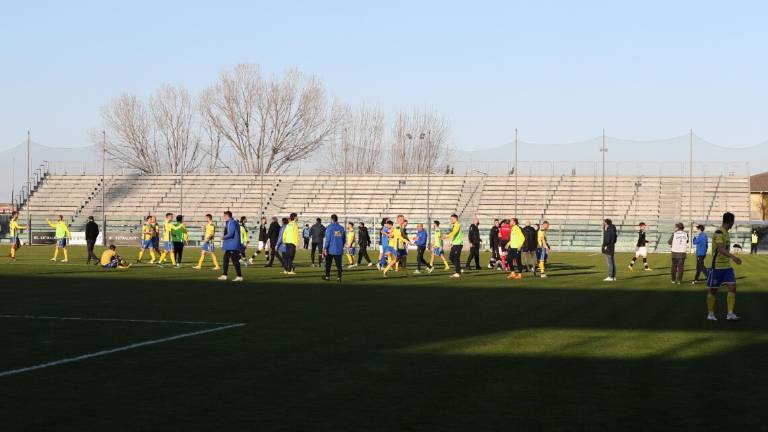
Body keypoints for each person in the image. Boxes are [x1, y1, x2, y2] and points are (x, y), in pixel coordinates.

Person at [706, 212, 743, 321]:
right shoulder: (719, 232)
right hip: (717, 266)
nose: (733, 224)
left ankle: (730, 314)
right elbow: (721, 249)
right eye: (733, 221)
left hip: (727, 266)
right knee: (713, 290)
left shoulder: (726, 232)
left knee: (732, 287)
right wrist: (734, 257)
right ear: (730, 221)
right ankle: (710, 314)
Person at [217, 211, 243, 282]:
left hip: (233, 245)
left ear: (227, 216)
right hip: (232, 245)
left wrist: (223, 237)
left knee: (234, 260)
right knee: (226, 258)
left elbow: (231, 234)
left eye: (224, 216)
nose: (223, 217)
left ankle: (239, 276)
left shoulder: (232, 222)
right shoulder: (233, 222)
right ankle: (225, 275)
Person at [323, 214, 345, 281]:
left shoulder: (329, 227)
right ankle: (339, 277)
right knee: (339, 265)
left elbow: (328, 239)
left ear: (331, 219)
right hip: (339, 249)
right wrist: (341, 245)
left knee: (328, 264)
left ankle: (327, 277)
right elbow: (343, 239)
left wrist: (325, 247)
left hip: (331, 249)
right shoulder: (341, 228)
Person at [444, 214, 463, 278]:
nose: (451, 220)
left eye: (452, 219)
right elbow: (455, 235)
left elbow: (454, 232)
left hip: (458, 244)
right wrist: (452, 242)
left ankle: (457, 272)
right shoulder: (454, 225)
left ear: (455, 219)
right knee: (451, 258)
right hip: (455, 244)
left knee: (456, 258)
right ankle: (459, 268)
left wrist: (447, 236)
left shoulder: (457, 225)